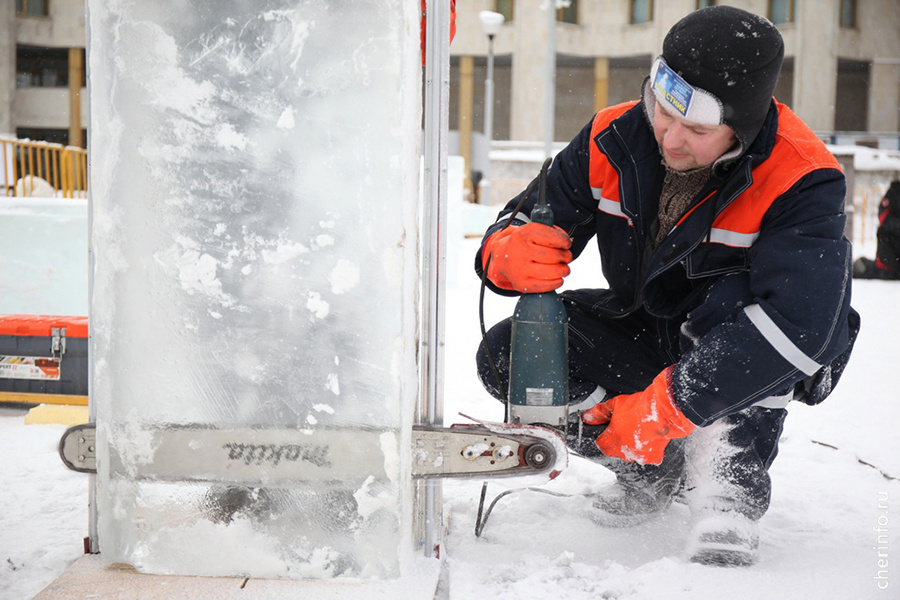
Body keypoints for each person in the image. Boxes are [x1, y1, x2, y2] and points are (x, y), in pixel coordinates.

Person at [474, 6, 859, 567]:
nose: (671, 138)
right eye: (663, 112)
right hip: (647, 323)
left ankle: (726, 485)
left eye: (698, 130)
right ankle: (646, 469)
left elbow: (802, 326)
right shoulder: (616, 133)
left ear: (744, 127)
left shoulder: (800, 176)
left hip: (734, 343)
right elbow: (527, 216)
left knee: (737, 315)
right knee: (512, 353)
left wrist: (668, 406)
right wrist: (506, 251)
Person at [853, 180, 900, 279]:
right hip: (890, 249)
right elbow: (884, 217)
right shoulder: (895, 191)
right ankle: (860, 267)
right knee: (886, 273)